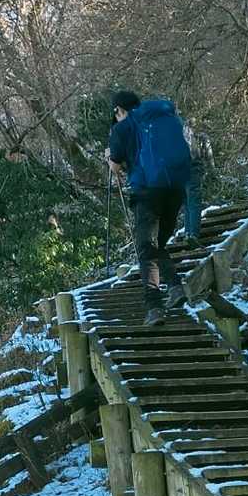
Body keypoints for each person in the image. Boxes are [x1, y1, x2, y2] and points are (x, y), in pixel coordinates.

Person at [105, 90, 195, 323]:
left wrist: (110, 157)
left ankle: (154, 307)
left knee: (146, 249)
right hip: (175, 189)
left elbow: (115, 166)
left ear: (119, 110)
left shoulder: (122, 128)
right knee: (157, 246)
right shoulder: (163, 117)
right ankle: (175, 287)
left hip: (147, 192)